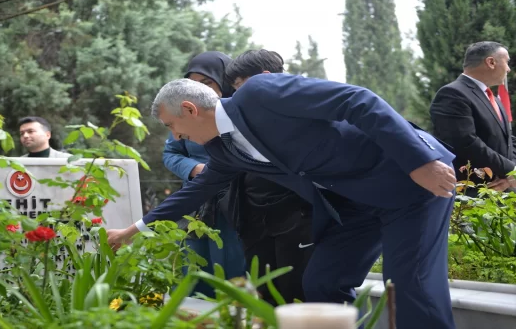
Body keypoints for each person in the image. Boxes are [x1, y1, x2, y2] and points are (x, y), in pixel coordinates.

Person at [108, 70, 458, 328]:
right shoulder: (224, 149)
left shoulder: (260, 94)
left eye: (172, 125)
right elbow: (196, 191)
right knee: (322, 281)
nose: (176, 135)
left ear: (189, 109)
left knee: (409, 285)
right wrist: (132, 230)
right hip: (355, 206)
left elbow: (357, 100)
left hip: (411, 181)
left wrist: (419, 162)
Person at [222, 50, 314, 305]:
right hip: (255, 222)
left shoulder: (303, 109)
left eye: (240, 86)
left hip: (298, 220)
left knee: (297, 294)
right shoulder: (241, 121)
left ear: (265, 78)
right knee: (264, 296)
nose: (236, 95)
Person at [162, 51, 245, 298]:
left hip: (237, 201)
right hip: (196, 202)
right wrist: (194, 169)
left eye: (206, 82)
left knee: (233, 269)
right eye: (193, 83)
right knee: (191, 267)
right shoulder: (185, 113)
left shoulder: (241, 111)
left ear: (224, 80)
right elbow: (171, 153)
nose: (198, 89)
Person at [431, 41, 515, 192]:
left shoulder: (494, 100)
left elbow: (508, 141)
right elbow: (466, 143)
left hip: (503, 192)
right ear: (491, 62)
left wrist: (510, 177)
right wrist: (511, 170)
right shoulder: (453, 94)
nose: (508, 69)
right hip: (472, 196)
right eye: (507, 62)